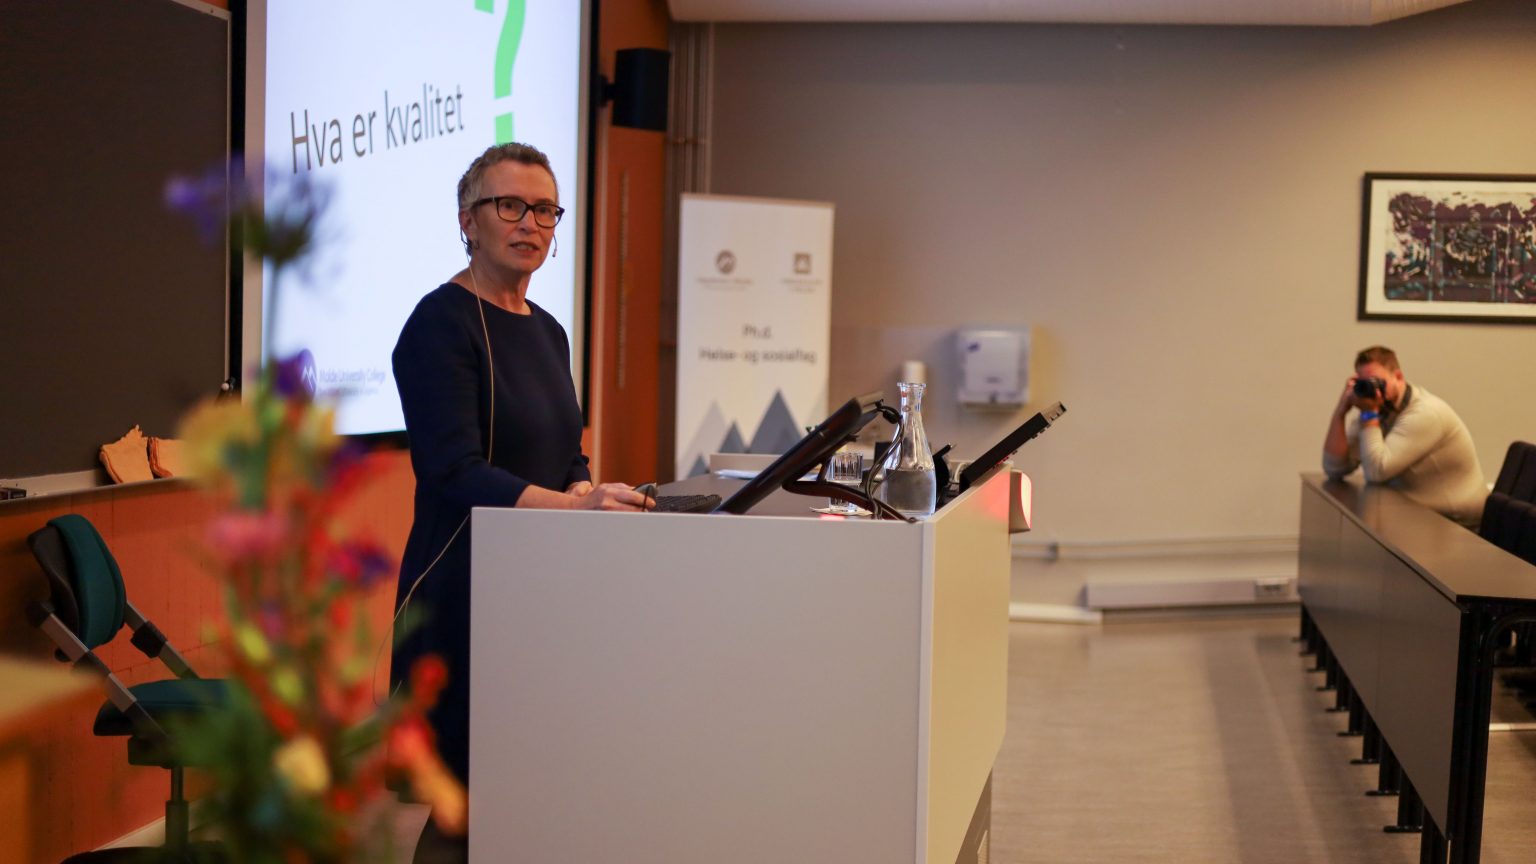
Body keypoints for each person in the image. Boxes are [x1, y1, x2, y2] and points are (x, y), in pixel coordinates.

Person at [391, 142, 651, 862]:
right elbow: (453, 471)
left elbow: (566, 450)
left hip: (537, 592)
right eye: (509, 206)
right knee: (465, 803)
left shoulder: (548, 330)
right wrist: (576, 510)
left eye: (544, 209)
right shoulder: (439, 324)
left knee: (525, 789)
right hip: (461, 591)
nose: (529, 223)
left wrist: (584, 487)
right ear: (467, 220)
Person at [1322, 345, 1485, 526]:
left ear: (1398, 377)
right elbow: (1334, 468)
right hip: (1418, 516)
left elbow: (1376, 472)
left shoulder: (1425, 413)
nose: (1372, 390)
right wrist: (1341, 411)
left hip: (1458, 524)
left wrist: (1369, 414)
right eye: (1364, 384)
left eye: (1377, 382)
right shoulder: (1377, 408)